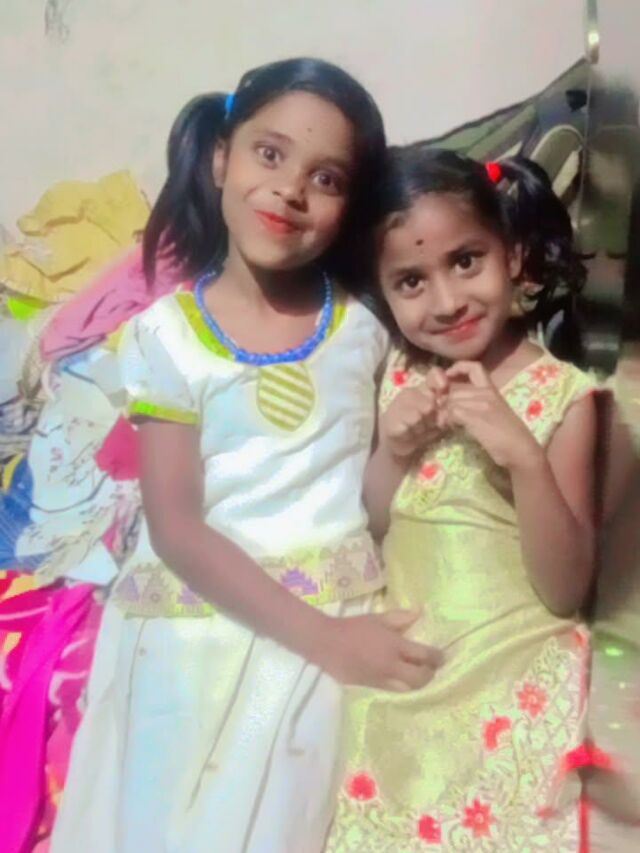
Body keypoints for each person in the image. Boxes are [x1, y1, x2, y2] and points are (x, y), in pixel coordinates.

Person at [50, 58, 440, 853]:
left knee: (287, 823)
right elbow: (177, 529)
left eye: (325, 177)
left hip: (325, 637)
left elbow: (362, 505)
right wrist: (327, 639)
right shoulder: (166, 336)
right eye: (270, 154)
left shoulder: (364, 330)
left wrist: (397, 451)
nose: (291, 189)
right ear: (221, 157)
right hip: (195, 637)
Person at [327, 147, 597, 851]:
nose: (446, 302)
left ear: (513, 256)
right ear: (384, 293)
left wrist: (523, 456)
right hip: (406, 675)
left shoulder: (565, 397)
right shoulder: (396, 374)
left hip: (517, 678)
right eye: (412, 281)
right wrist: (394, 449)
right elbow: (368, 525)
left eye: (466, 261)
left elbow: (566, 589)